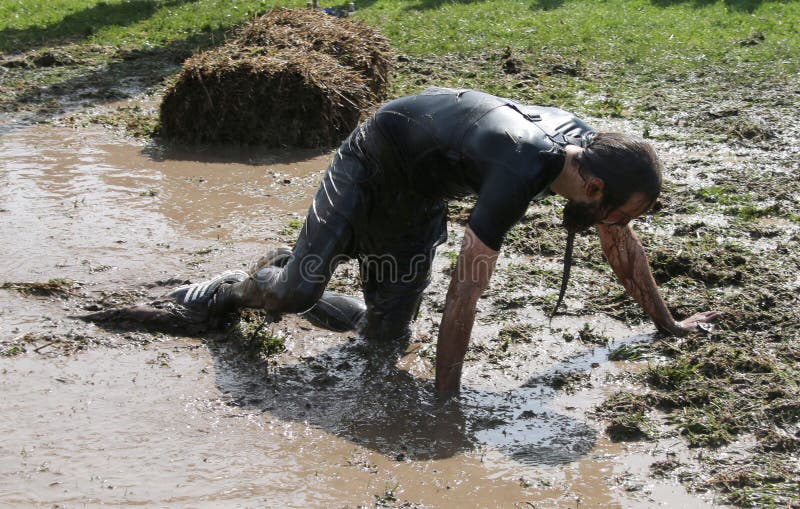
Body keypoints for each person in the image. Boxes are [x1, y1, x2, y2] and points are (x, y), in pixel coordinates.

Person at [169, 87, 720, 396]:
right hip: (371, 160)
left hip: (421, 194)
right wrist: (446, 398)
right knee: (297, 292)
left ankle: (306, 279)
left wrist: (666, 324)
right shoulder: (522, 169)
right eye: (619, 215)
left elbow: (618, 246)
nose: (617, 227)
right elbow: (465, 290)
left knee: (384, 339)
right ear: (593, 188)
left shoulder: (594, 158)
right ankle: (236, 287)